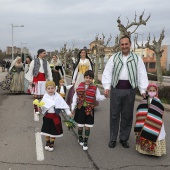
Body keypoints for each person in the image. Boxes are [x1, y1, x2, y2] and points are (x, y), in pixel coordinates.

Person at [102, 35, 148, 149]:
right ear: (119, 45)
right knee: (114, 115)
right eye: (122, 44)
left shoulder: (137, 58)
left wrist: (143, 90)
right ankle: (113, 138)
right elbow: (107, 72)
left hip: (130, 89)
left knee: (127, 115)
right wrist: (106, 87)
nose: (124, 46)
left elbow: (142, 74)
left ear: (130, 44)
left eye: (126, 44)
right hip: (116, 89)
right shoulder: (114, 57)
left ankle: (123, 138)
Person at [71, 70, 106, 150]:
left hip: (89, 109)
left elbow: (98, 98)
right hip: (80, 109)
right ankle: (80, 137)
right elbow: (75, 98)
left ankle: (86, 140)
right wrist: (72, 108)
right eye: (86, 77)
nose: (88, 79)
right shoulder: (79, 86)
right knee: (80, 126)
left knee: (87, 127)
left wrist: (105, 96)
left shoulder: (94, 88)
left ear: (92, 79)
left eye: (90, 78)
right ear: (84, 78)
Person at [40, 81, 73, 151]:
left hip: (55, 117)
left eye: (52, 88)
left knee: (54, 132)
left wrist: (68, 112)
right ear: (46, 89)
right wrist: (40, 106)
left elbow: (63, 105)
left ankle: (52, 143)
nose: (50, 90)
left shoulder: (58, 96)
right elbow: (42, 105)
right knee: (47, 131)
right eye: (48, 88)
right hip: (47, 117)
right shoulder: (45, 97)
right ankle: (47, 142)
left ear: (55, 88)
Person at [134, 83, 166, 156]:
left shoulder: (158, 101)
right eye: (150, 90)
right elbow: (140, 110)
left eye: (153, 90)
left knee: (156, 133)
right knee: (144, 132)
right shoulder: (144, 100)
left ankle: (155, 151)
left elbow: (161, 112)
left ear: (156, 91)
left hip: (155, 122)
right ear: (147, 91)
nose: (152, 92)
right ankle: (144, 150)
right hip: (144, 122)